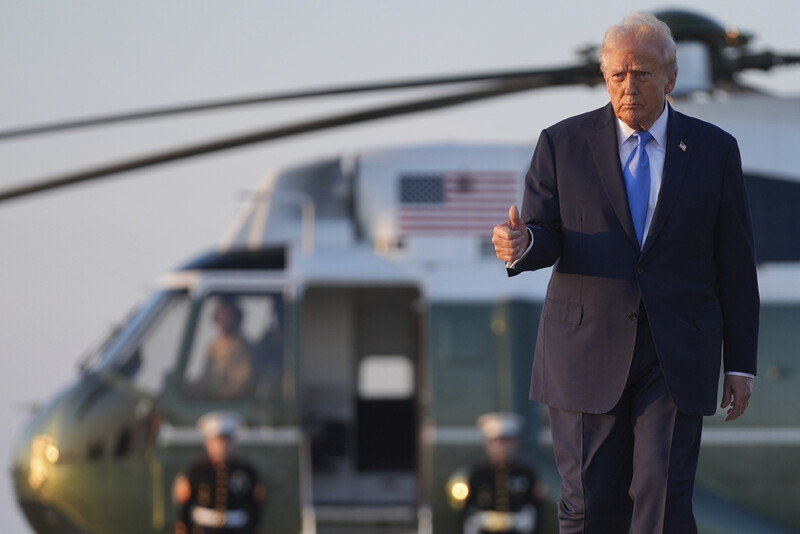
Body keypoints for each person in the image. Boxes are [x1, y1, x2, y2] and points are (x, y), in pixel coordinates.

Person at [492, 13, 759, 534]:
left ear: (671, 78)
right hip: (584, 352)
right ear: (605, 76)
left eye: (641, 74)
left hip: (675, 355)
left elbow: (735, 261)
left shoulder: (714, 150)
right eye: (618, 75)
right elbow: (545, 233)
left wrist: (741, 364)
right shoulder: (561, 144)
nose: (628, 86)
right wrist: (523, 244)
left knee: (662, 504)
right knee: (589, 508)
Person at [173, 411, 265, 534]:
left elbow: (255, 503)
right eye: (217, 441)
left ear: (234, 443)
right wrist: (183, 527)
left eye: (227, 441)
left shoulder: (246, 471)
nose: (222, 446)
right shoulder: (196, 470)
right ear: (208, 443)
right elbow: (185, 502)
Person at [461, 413, 546, 534]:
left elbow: (537, 509)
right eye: (496, 442)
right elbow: (467, 509)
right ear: (487, 444)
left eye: (507, 441)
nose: (502, 447)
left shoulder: (526, 472)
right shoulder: (477, 472)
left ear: (515, 444)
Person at [199, 297, 254, 398]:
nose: (224, 319)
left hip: (228, 402)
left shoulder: (241, 346)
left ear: (236, 318)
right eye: (221, 314)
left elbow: (242, 384)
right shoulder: (213, 346)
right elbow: (205, 378)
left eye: (228, 315)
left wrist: (218, 393)